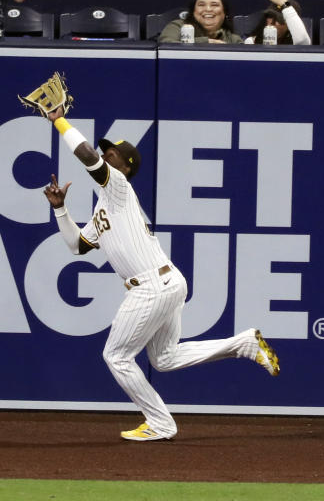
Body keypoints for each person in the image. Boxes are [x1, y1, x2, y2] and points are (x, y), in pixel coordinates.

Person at [40, 103, 280, 441]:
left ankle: (161, 423)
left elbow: (87, 156)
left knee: (116, 356)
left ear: (125, 166)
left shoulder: (119, 188)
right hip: (166, 283)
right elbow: (77, 246)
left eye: (113, 154)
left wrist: (59, 121)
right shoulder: (102, 210)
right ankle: (243, 343)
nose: (106, 155)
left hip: (151, 286)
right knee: (164, 357)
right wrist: (60, 209)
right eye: (107, 151)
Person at [157, 0, 244, 44]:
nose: (208, 9)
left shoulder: (233, 40)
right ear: (194, 11)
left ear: (225, 12)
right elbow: (166, 45)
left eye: (214, 5)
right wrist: (206, 42)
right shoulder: (178, 26)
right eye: (201, 5)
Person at [244, 0, 311, 45]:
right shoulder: (252, 42)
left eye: (279, 18)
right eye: (270, 16)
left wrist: (285, 3)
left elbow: (302, 40)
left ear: (290, 24)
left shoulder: (297, 42)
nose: (272, 22)